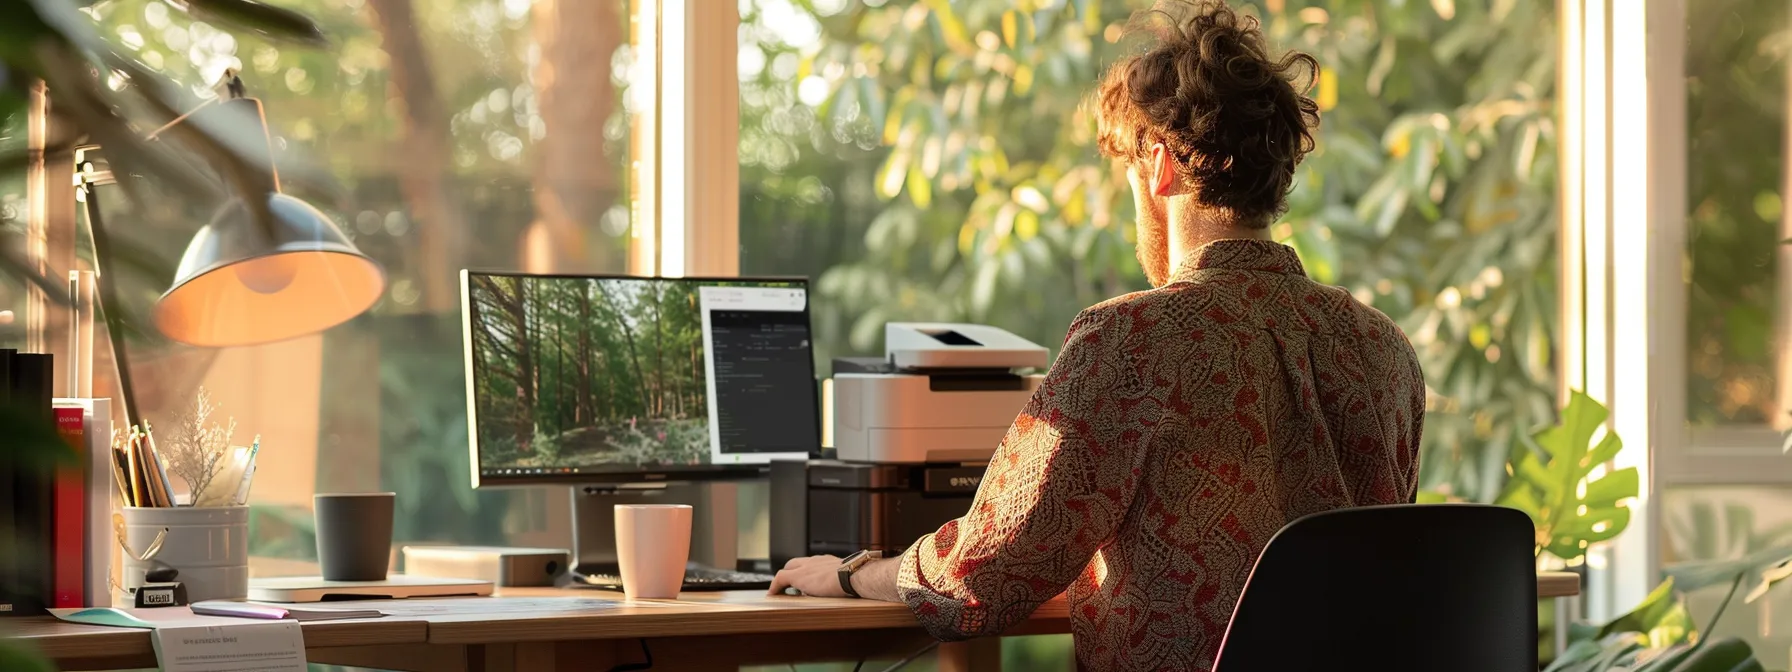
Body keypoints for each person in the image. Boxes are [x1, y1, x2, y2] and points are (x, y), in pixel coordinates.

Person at [768, 1, 1426, 669]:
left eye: (1129, 179)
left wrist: (853, 573)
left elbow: (985, 576)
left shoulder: (1133, 338)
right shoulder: (1384, 348)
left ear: (1160, 166)